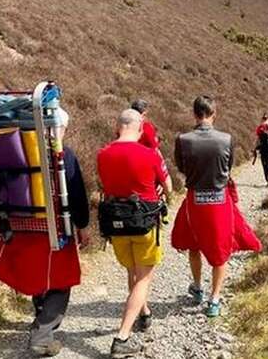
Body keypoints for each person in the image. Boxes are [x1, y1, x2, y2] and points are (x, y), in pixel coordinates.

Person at [0, 108, 90, 357]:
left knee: (36, 273)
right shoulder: (63, 155)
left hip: (18, 226)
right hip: (53, 229)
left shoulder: (15, 156)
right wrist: (83, 225)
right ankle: (43, 334)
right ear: (59, 128)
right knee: (61, 280)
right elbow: (76, 194)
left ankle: (40, 317)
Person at [171, 96, 262, 318]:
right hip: (220, 200)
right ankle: (215, 298)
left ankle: (197, 286)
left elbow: (181, 166)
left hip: (195, 199)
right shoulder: (226, 139)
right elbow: (228, 166)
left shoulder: (183, 139)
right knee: (221, 249)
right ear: (214, 113)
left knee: (194, 243)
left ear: (194, 114)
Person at [97, 109, 172, 358]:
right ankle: (122, 337)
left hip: (116, 224)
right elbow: (169, 187)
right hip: (143, 223)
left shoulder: (103, 154)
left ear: (118, 127)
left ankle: (144, 313)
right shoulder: (149, 154)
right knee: (144, 278)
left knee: (132, 271)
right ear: (140, 128)